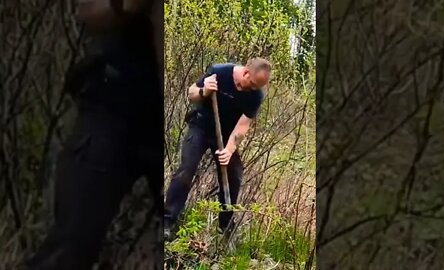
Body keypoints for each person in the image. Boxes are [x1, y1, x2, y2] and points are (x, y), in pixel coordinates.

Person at [25, 1, 162, 269]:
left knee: (187, 233)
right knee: (72, 240)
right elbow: (87, 11)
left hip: (172, 115)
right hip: (113, 106)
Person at [163, 57, 272, 240]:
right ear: (246, 72)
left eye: (257, 87)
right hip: (201, 127)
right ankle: (166, 222)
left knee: (234, 175)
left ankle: (225, 230)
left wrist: (229, 150)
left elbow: (243, 126)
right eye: (252, 84)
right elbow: (191, 94)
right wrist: (204, 90)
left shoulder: (256, 95)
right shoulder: (219, 72)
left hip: (226, 135)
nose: (252, 89)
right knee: (186, 170)